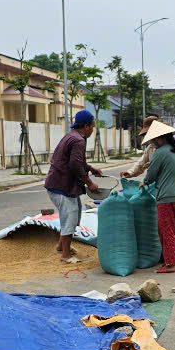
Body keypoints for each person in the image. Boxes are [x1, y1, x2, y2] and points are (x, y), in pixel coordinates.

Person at [45, 109, 104, 261]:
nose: (92, 130)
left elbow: (78, 161)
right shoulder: (78, 140)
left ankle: (61, 246)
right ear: (86, 126)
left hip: (60, 185)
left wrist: (91, 169)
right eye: (92, 126)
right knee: (70, 217)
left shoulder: (72, 136)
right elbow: (75, 165)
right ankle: (65, 255)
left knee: (74, 214)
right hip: (61, 186)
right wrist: (89, 183)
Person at [140, 121, 175, 274]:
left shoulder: (160, 152)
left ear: (159, 138)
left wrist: (144, 182)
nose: (152, 143)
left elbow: (151, 175)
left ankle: (171, 264)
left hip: (167, 198)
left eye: (153, 140)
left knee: (166, 230)